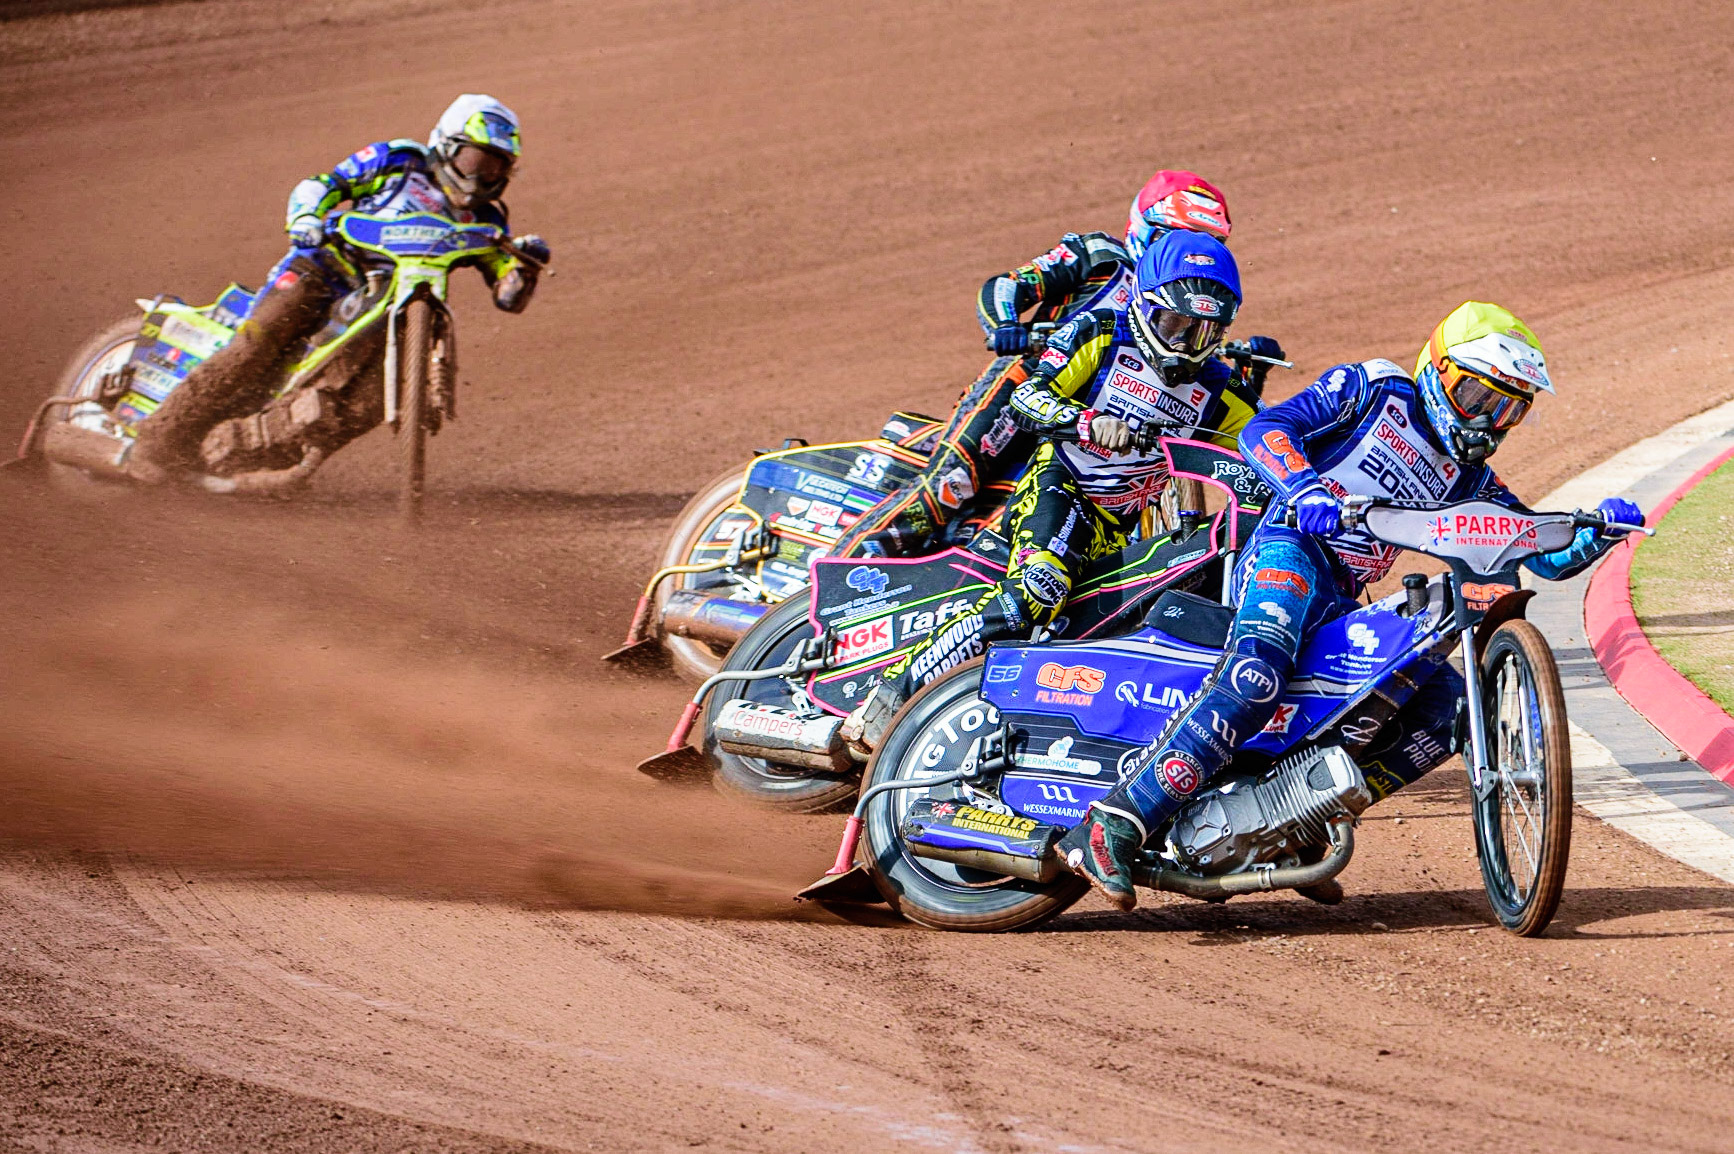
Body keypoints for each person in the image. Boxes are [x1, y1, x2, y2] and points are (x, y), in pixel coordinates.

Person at [1057, 301, 1646, 910]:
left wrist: (1593, 534)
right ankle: (1116, 821)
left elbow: (1541, 555)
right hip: (1288, 546)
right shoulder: (1374, 387)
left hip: (1342, 596)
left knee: (1448, 705)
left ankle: (1290, 823)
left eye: (1508, 409)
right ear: (1438, 372)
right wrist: (1305, 486)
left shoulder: (1472, 482)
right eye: (1477, 396)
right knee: (1258, 671)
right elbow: (1265, 431)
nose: (1487, 422)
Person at [840, 228, 1264, 752]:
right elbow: (1028, 398)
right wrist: (1087, 423)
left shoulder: (1222, 390)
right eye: (1174, 324)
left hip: (1123, 522)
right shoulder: (1099, 334)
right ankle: (884, 701)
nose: (1184, 344)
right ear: (1146, 305)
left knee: (1105, 626)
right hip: (1059, 483)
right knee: (1037, 592)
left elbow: (1265, 445)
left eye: (1203, 332)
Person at [126, 94, 550, 482]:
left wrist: (524, 269)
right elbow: (324, 184)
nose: (481, 178)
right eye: (475, 161)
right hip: (327, 266)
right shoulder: (397, 161)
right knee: (261, 340)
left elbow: (507, 294)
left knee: (372, 400)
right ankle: (156, 439)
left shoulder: (488, 221)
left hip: (398, 309)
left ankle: (262, 457)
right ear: (446, 145)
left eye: (494, 168)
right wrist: (307, 219)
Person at [831, 170, 1247, 559]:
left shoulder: (1185, 301)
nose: (1188, 251)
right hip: (1028, 379)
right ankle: (839, 567)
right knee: (953, 481)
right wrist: (1005, 326)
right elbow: (1007, 285)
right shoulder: (1098, 256)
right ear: (1145, 230)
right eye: (1174, 236)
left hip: (1101, 414)